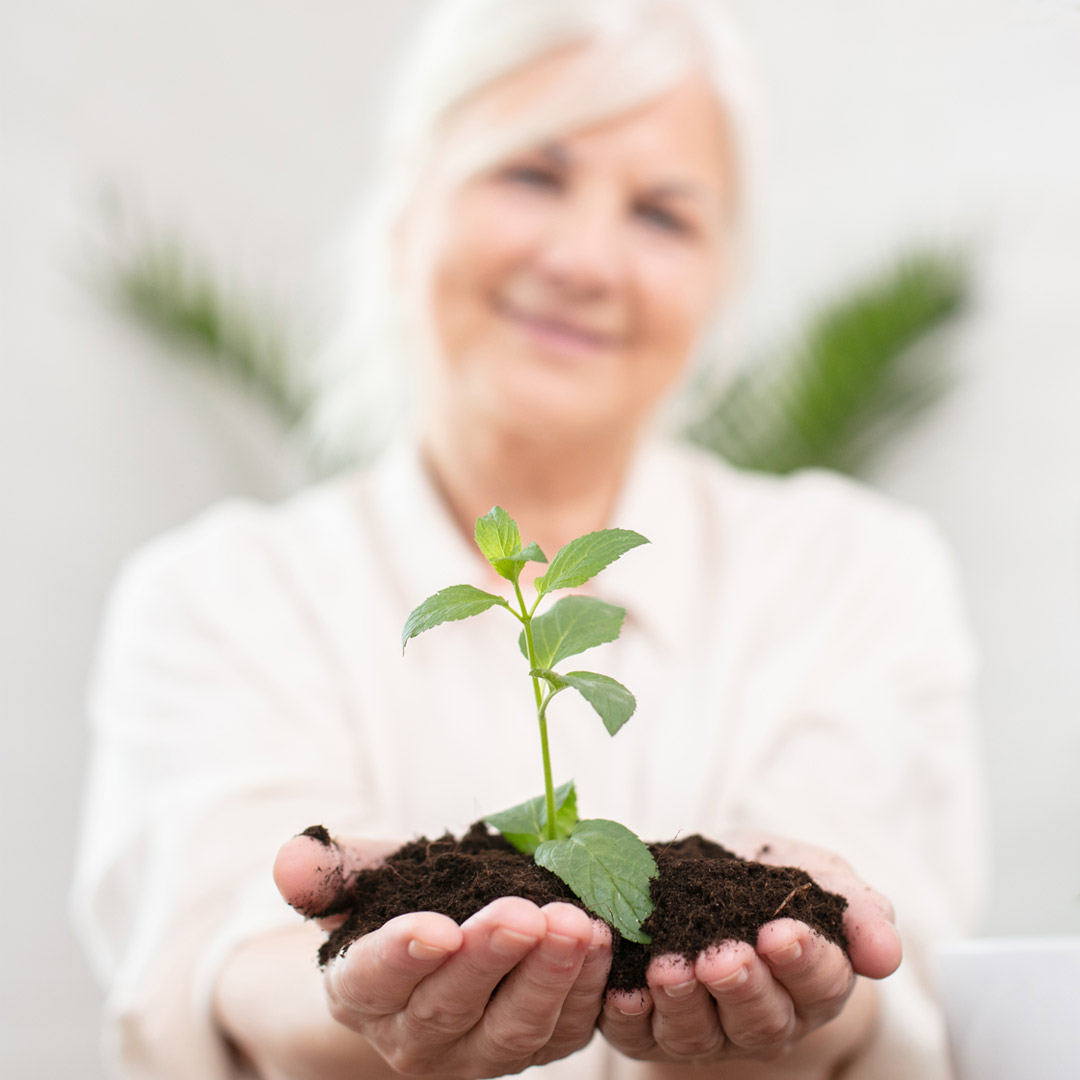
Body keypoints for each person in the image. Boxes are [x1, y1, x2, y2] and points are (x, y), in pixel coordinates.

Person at [72, 1, 983, 1077]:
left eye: (663, 214)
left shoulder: (852, 572)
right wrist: (352, 993)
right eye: (533, 176)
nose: (586, 259)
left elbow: (890, 970)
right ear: (407, 205)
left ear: (717, 285)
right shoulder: (221, 592)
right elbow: (211, 954)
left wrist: (795, 998)